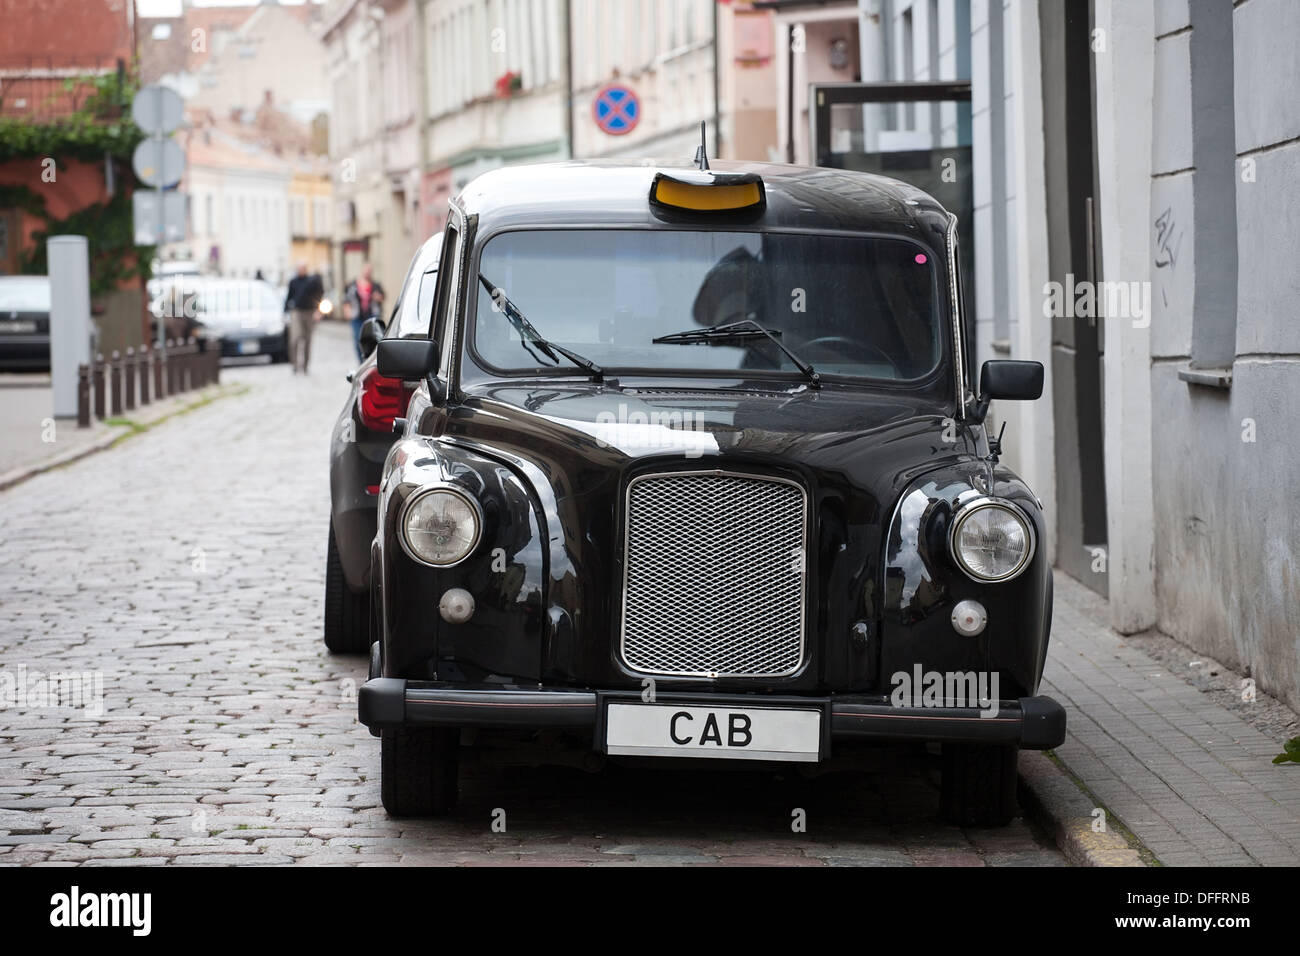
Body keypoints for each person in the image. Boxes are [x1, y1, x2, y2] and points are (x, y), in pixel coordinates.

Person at [284, 262, 325, 373]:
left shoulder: (313, 281)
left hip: (310, 312)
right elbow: (289, 297)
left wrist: (318, 311)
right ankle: (295, 364)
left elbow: (320, 295)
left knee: (307, 340)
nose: (301, 270)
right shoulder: (293, 281)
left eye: (303, 268)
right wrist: (285, 311)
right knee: (295, 338)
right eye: (300, 268)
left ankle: (305, 365)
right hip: (296, 311)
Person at [343, 263, 385, 361]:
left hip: (372, 315)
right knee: (358, 338)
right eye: (366, 270)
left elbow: (382, 297)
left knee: (372, 339)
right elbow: (346, 299)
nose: (367, 273)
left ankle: (370, 360)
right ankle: (361, 361)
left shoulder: (376, 285)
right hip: (357, 316)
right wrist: (347, 310)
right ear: (362, 271)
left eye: (369, 271)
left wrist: (378, 297)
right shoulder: (353, 285)